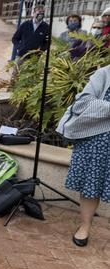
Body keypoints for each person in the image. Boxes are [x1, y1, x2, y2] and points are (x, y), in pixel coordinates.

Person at [56, 65, 110, 248]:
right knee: (91, 186)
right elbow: (82, 102)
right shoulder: (105, 74)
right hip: (97, 142)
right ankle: (85, 226)